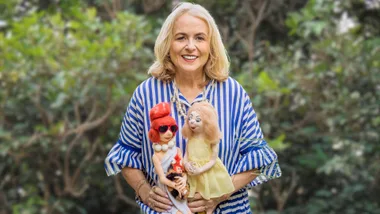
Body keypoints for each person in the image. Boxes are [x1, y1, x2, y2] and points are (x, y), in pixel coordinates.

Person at [104, 2, 281, 214]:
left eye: (199, 38)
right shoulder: (146, 93)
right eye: (181, 38)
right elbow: (127, 154)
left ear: (211, 45)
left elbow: (257, 158)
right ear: (168, 43)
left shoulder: (233, 92)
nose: (190, 46)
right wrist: (144, 190)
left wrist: (218, 195)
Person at [182, 101, 234, 202]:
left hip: (207, 174)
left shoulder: (211, 140)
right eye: (190, 118)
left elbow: (213, 160)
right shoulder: (190, 138)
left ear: (208, 123)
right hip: (192, 174)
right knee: (192, 200)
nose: (192, 121)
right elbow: (186, 155)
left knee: (208, 199)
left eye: (197, 120)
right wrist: (186, 164)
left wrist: (200, 170)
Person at [148, 102, 190, 214]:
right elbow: (162, 178)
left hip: (181, 189)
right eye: (163, 129)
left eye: (172, 128)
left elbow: (183, 170)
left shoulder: (177, 150)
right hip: (166, 192)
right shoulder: (156, 156)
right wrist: (174, 186)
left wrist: (184, 179)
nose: (169, 133)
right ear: (155, 132)